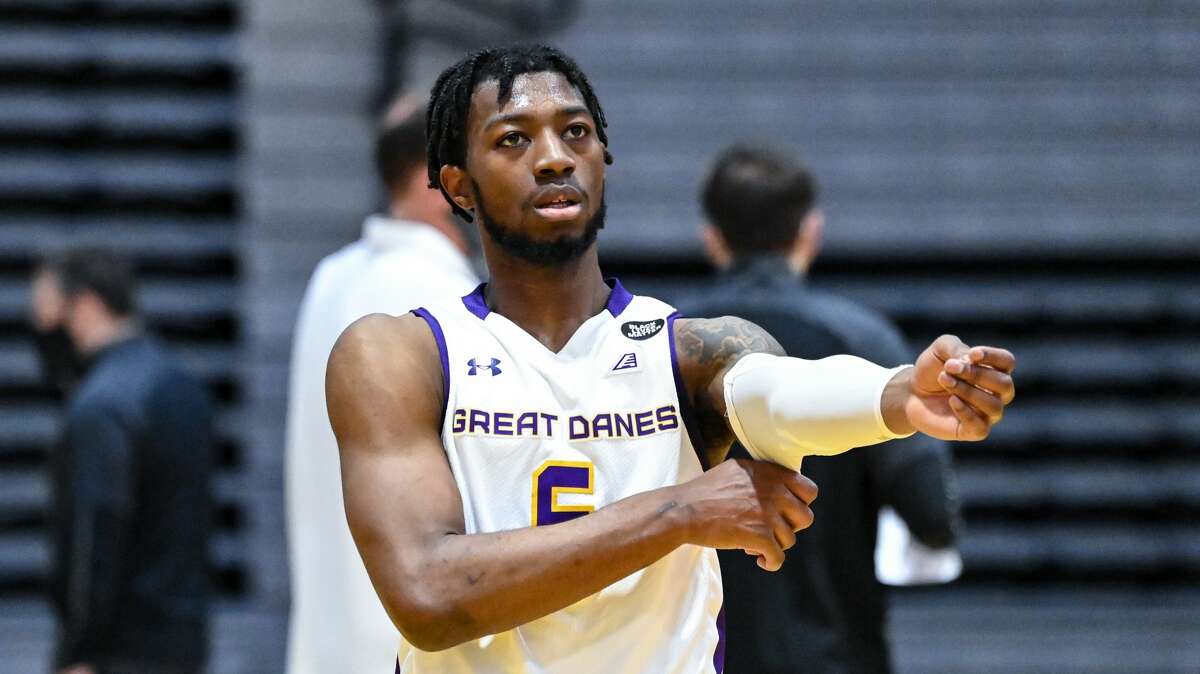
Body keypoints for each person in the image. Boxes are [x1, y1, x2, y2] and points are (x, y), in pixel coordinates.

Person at [325, 45, 1016, 674]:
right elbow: (427, 595)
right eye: (513, 139)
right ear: (457, 185)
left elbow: (783, 393)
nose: (555, 157)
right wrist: (680, 510)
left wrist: (896, 396)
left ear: (604, 158)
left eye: (576, 132)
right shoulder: (401, 353)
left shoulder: (690, 350)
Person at [677, 145, 963, 674]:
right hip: (835, 657)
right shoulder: (865, 341)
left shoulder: (665, 351)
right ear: (809, 232)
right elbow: (933, 518)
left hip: (700, 660)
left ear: (711, 238)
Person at [284, 94, 480, 674]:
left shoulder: (333, 275)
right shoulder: (433, 294)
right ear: (435, 181)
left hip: (329, 639)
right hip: (408, 642)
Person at [29, 248, 213, 674]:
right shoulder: (182, 386)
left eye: (48, 312)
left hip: (116, 654)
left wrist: (77, 652)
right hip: (185, 646)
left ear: (86, 305)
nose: (42, 329)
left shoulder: (101, 405)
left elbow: (93, 538)